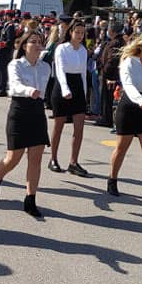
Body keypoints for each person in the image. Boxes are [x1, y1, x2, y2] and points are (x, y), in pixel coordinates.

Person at [0, 28, 51, 217]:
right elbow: (15, 85)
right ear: (24, 45)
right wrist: (29, 90)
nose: (37, 45)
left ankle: (30, 199)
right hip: (20, 110)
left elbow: (45, 90)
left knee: (35, 159)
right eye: (33, 42)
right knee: (13, 158)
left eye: (40, 42)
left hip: (37, 112)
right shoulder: (15, 64)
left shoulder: (45, 67)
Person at [108, 30, 142, 205]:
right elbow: (128, 84)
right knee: (122, 147)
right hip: (130, 106)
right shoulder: (129, 62)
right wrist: (140, 100)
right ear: (141, 47)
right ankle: (112, 179)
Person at [48, 20, 89, 176]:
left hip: (77, 86)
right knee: (59, 125)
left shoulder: (83, 50)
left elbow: (83, 73)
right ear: (70, 32)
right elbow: (60, 70)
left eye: (82, 33)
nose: (79, 35)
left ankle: (73, 162)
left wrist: (84, 93)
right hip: (62, 86)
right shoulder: (62, 48)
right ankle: (53, 159)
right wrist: (65, 89)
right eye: (77, 32)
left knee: (79, 127)